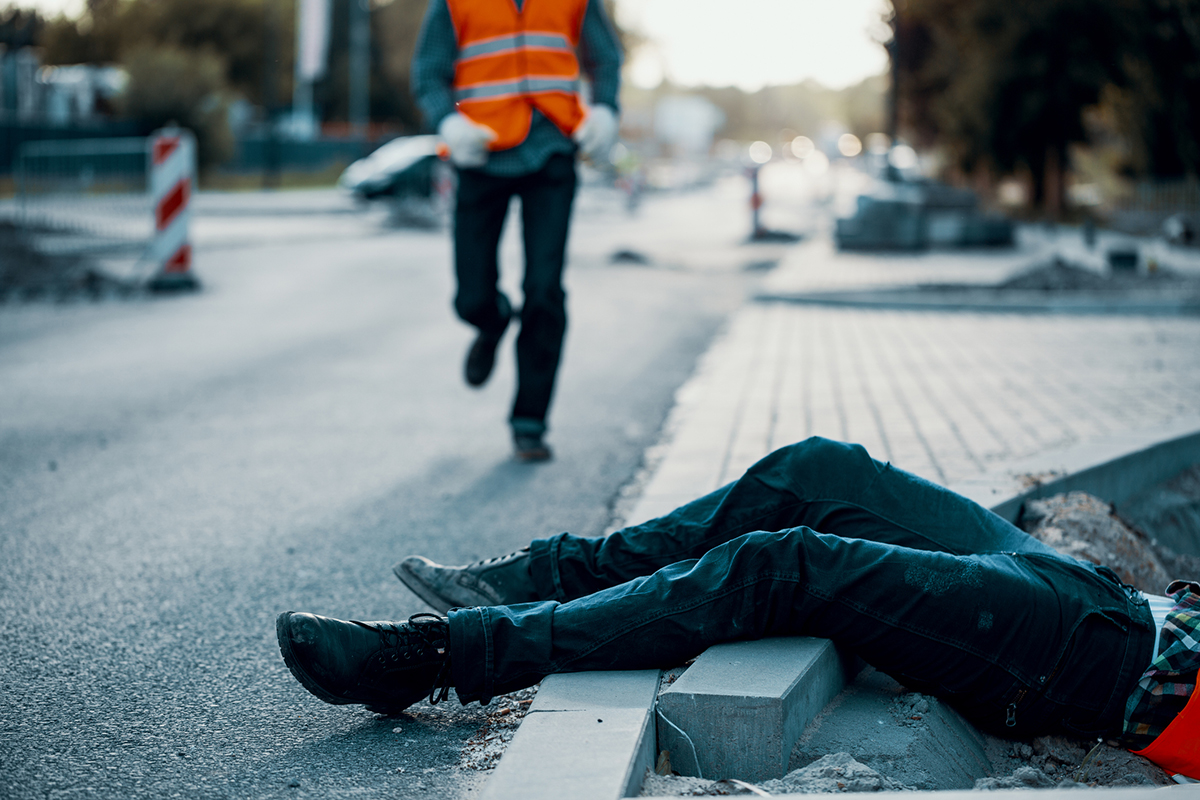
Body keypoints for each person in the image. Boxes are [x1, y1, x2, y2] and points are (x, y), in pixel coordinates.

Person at [276, 438, 1200, 778]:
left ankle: (448, 655)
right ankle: (537, 576)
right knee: (819, 471)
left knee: (781, 568)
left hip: (1112, 671)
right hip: (1119, 602)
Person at [411, 0, 623, 461]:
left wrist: (605, 108)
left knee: (544, 289)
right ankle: (490, 321)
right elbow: (429, 72)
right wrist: (448, 122)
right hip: (480, 152)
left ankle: (530, 420)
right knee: (472, 295)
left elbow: (604, 58)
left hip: (551, 151)